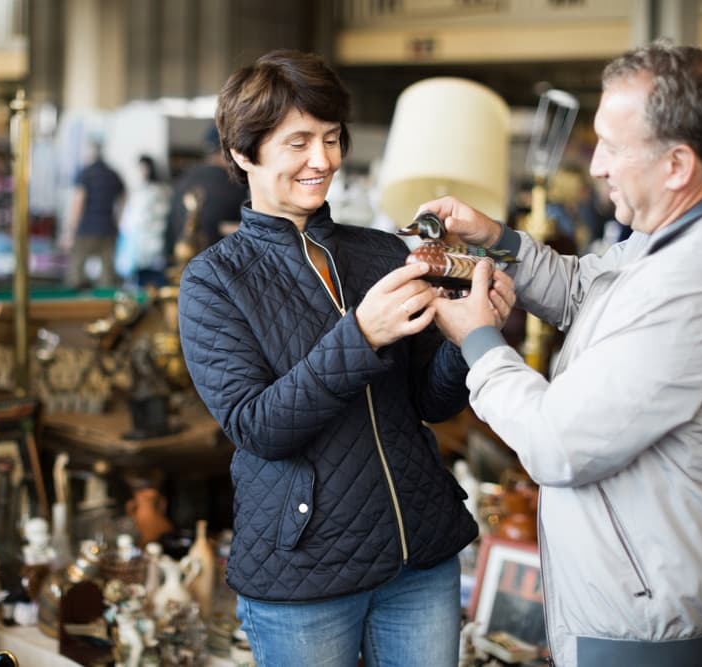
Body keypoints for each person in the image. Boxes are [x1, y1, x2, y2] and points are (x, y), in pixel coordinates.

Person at [428, 39, 702, 667]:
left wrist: (477, 338)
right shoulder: (691, 226)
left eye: (613, 148)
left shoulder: (696, 280)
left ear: (676, 165)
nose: (596, 167)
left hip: (655, 621)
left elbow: (557, 442)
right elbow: (587, 290)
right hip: (666, 585)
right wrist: (498, 240)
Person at [177, 49, 513, 667]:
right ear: (244, 152)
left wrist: (474, 332)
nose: (323, 160)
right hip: (304, 572)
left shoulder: (380, 251)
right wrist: (360, 334)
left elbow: (427, 402)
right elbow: (256, 427)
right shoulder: (213, 281)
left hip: (420, 551)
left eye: (331, 139)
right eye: (298, 141)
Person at [163, 124, 248, 267]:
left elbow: (168, 233)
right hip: (221, 271)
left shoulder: (184, 179)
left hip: (182, 272)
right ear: (227, 151)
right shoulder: (234, 184)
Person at [61, 141, 126, 288]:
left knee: (76, 271)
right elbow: (123, 198)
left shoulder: (86, 174)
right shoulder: (113, 174)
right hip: (108, 227)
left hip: (87, 227)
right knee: (107, 274)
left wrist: (70, 230)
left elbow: (78, 202)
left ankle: (77, 306)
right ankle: (106, 305)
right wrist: (117, 219)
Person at [116, 155, 172, 287]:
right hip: (137, 243)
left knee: (153, 279)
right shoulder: (140, 190)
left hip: (153, 242)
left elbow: (159, 216)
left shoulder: (160, 190)